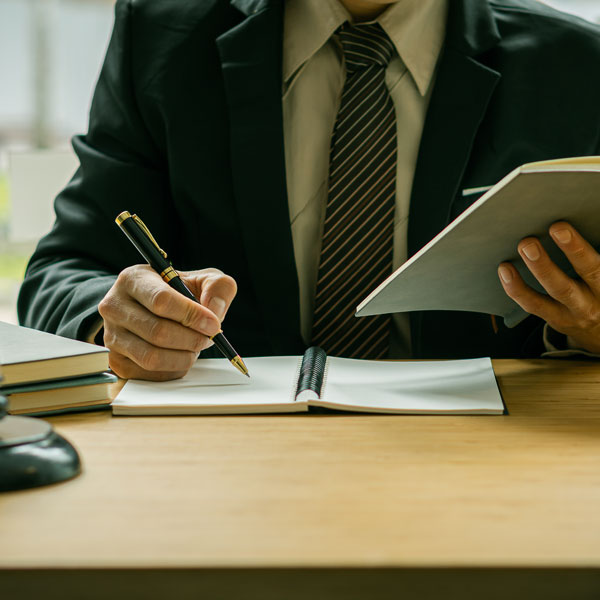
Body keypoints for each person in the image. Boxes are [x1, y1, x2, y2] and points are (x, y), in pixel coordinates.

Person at [17, 0, 600, 381]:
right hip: (221, 448)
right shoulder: (160, 36)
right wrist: (119, 321)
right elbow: (64, 270)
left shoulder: (575, 65)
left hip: (497, 451)